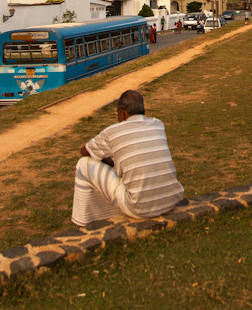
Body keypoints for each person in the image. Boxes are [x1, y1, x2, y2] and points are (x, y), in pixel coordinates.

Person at [71, 90, 184, 227]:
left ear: (122, 111)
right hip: (170, 201)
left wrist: (105, 161)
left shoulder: (113, 132)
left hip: (139, 208)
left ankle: (82, 222)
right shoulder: (158, 124)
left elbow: (85, 151)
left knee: (83, 164)